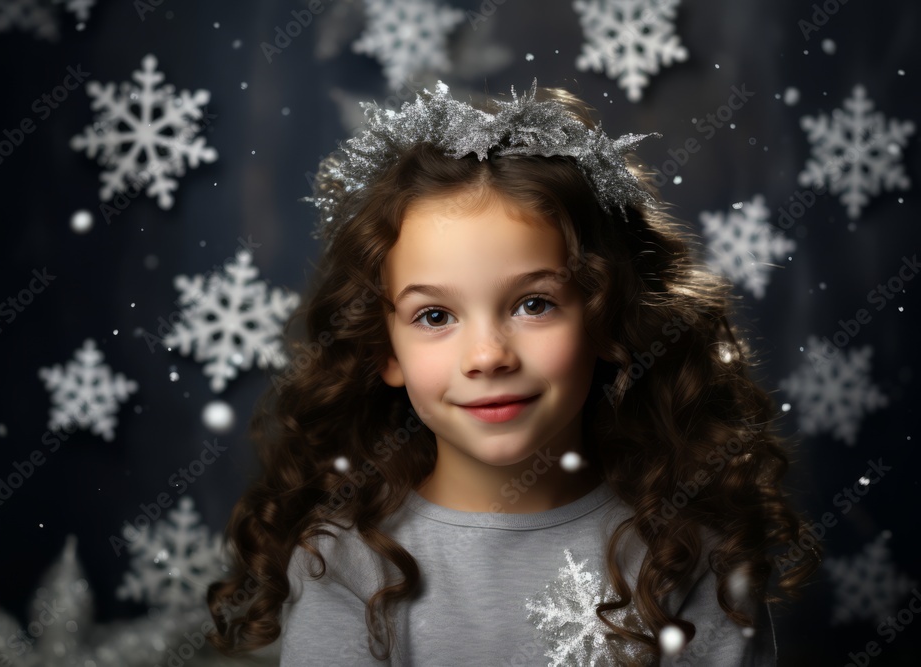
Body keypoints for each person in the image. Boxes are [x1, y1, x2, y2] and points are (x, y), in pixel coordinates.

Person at [206, 81, 820, 666]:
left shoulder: (689, 553)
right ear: (382, 351)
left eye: (535, 304)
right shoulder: (346, 563)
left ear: (607, 320)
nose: (488, 355)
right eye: (435, 315)